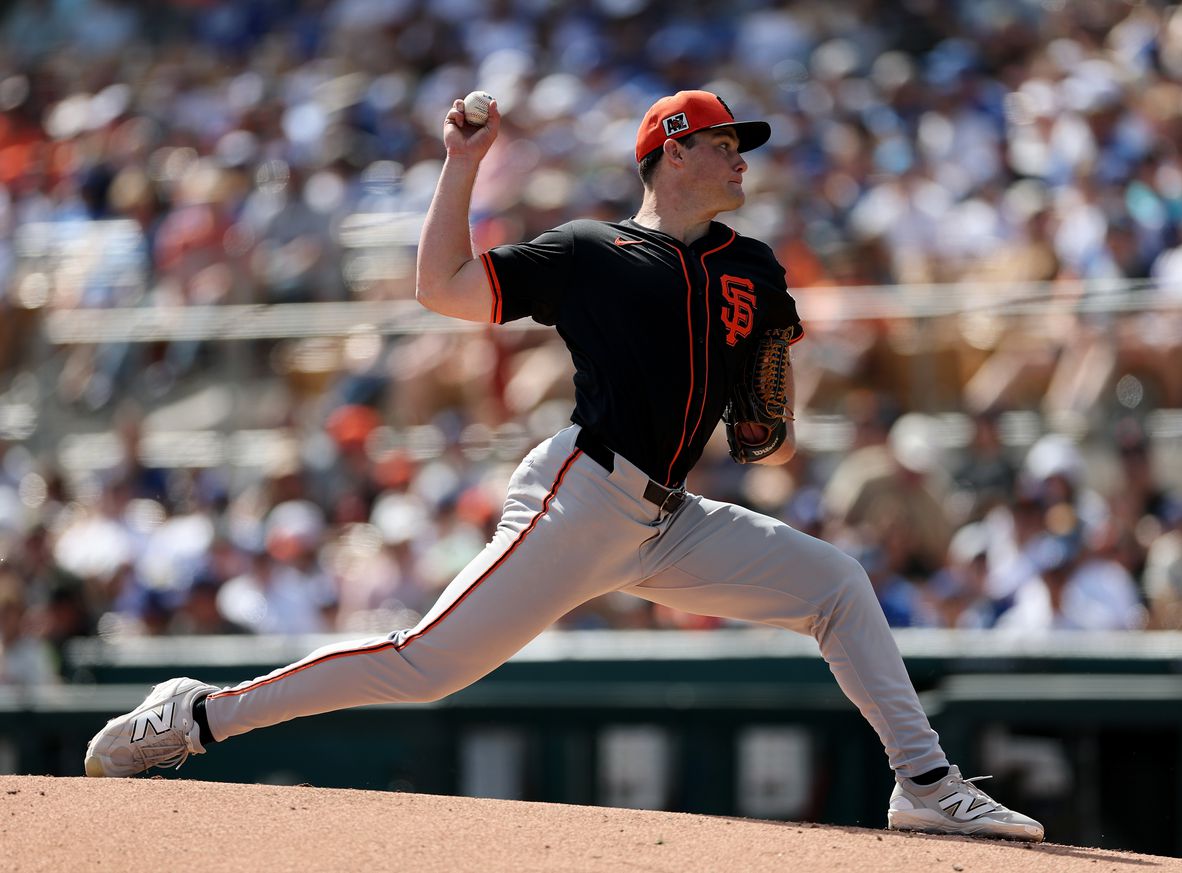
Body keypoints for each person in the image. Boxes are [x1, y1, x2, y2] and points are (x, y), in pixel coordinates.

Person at [84, 90, 1043, 841]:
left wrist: (767, 383)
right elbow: (443, 289)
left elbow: (765, 419)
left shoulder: (752, 265)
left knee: (837, 584)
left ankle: (925, 785)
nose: (739, 157)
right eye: (722, 142)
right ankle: (198, 715)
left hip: (671, 519)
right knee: (423, 666)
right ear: (671, 150)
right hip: (579, 495)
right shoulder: (593, 251)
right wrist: (461, 164)